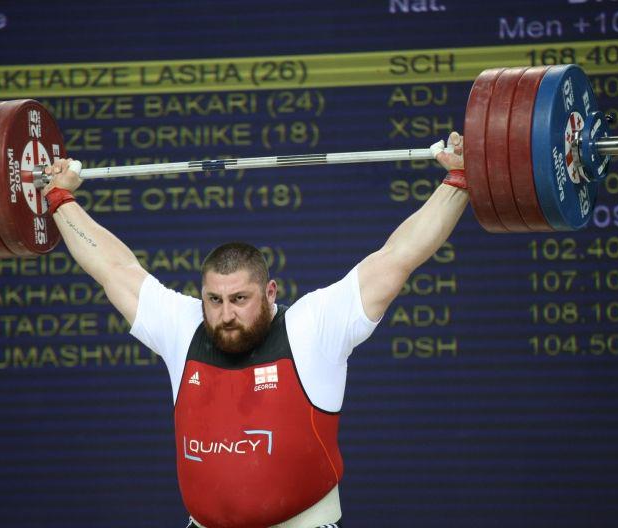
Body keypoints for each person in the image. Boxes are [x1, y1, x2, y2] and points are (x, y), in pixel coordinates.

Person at [41, 132, 468, 528]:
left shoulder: (311, 327)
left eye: (240, 299)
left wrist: (459, 180)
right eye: (214, 300)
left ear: (269, 292)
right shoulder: (183, 327)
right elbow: (114, 268)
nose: (226, 314)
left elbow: (397, 257)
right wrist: (59, 198)